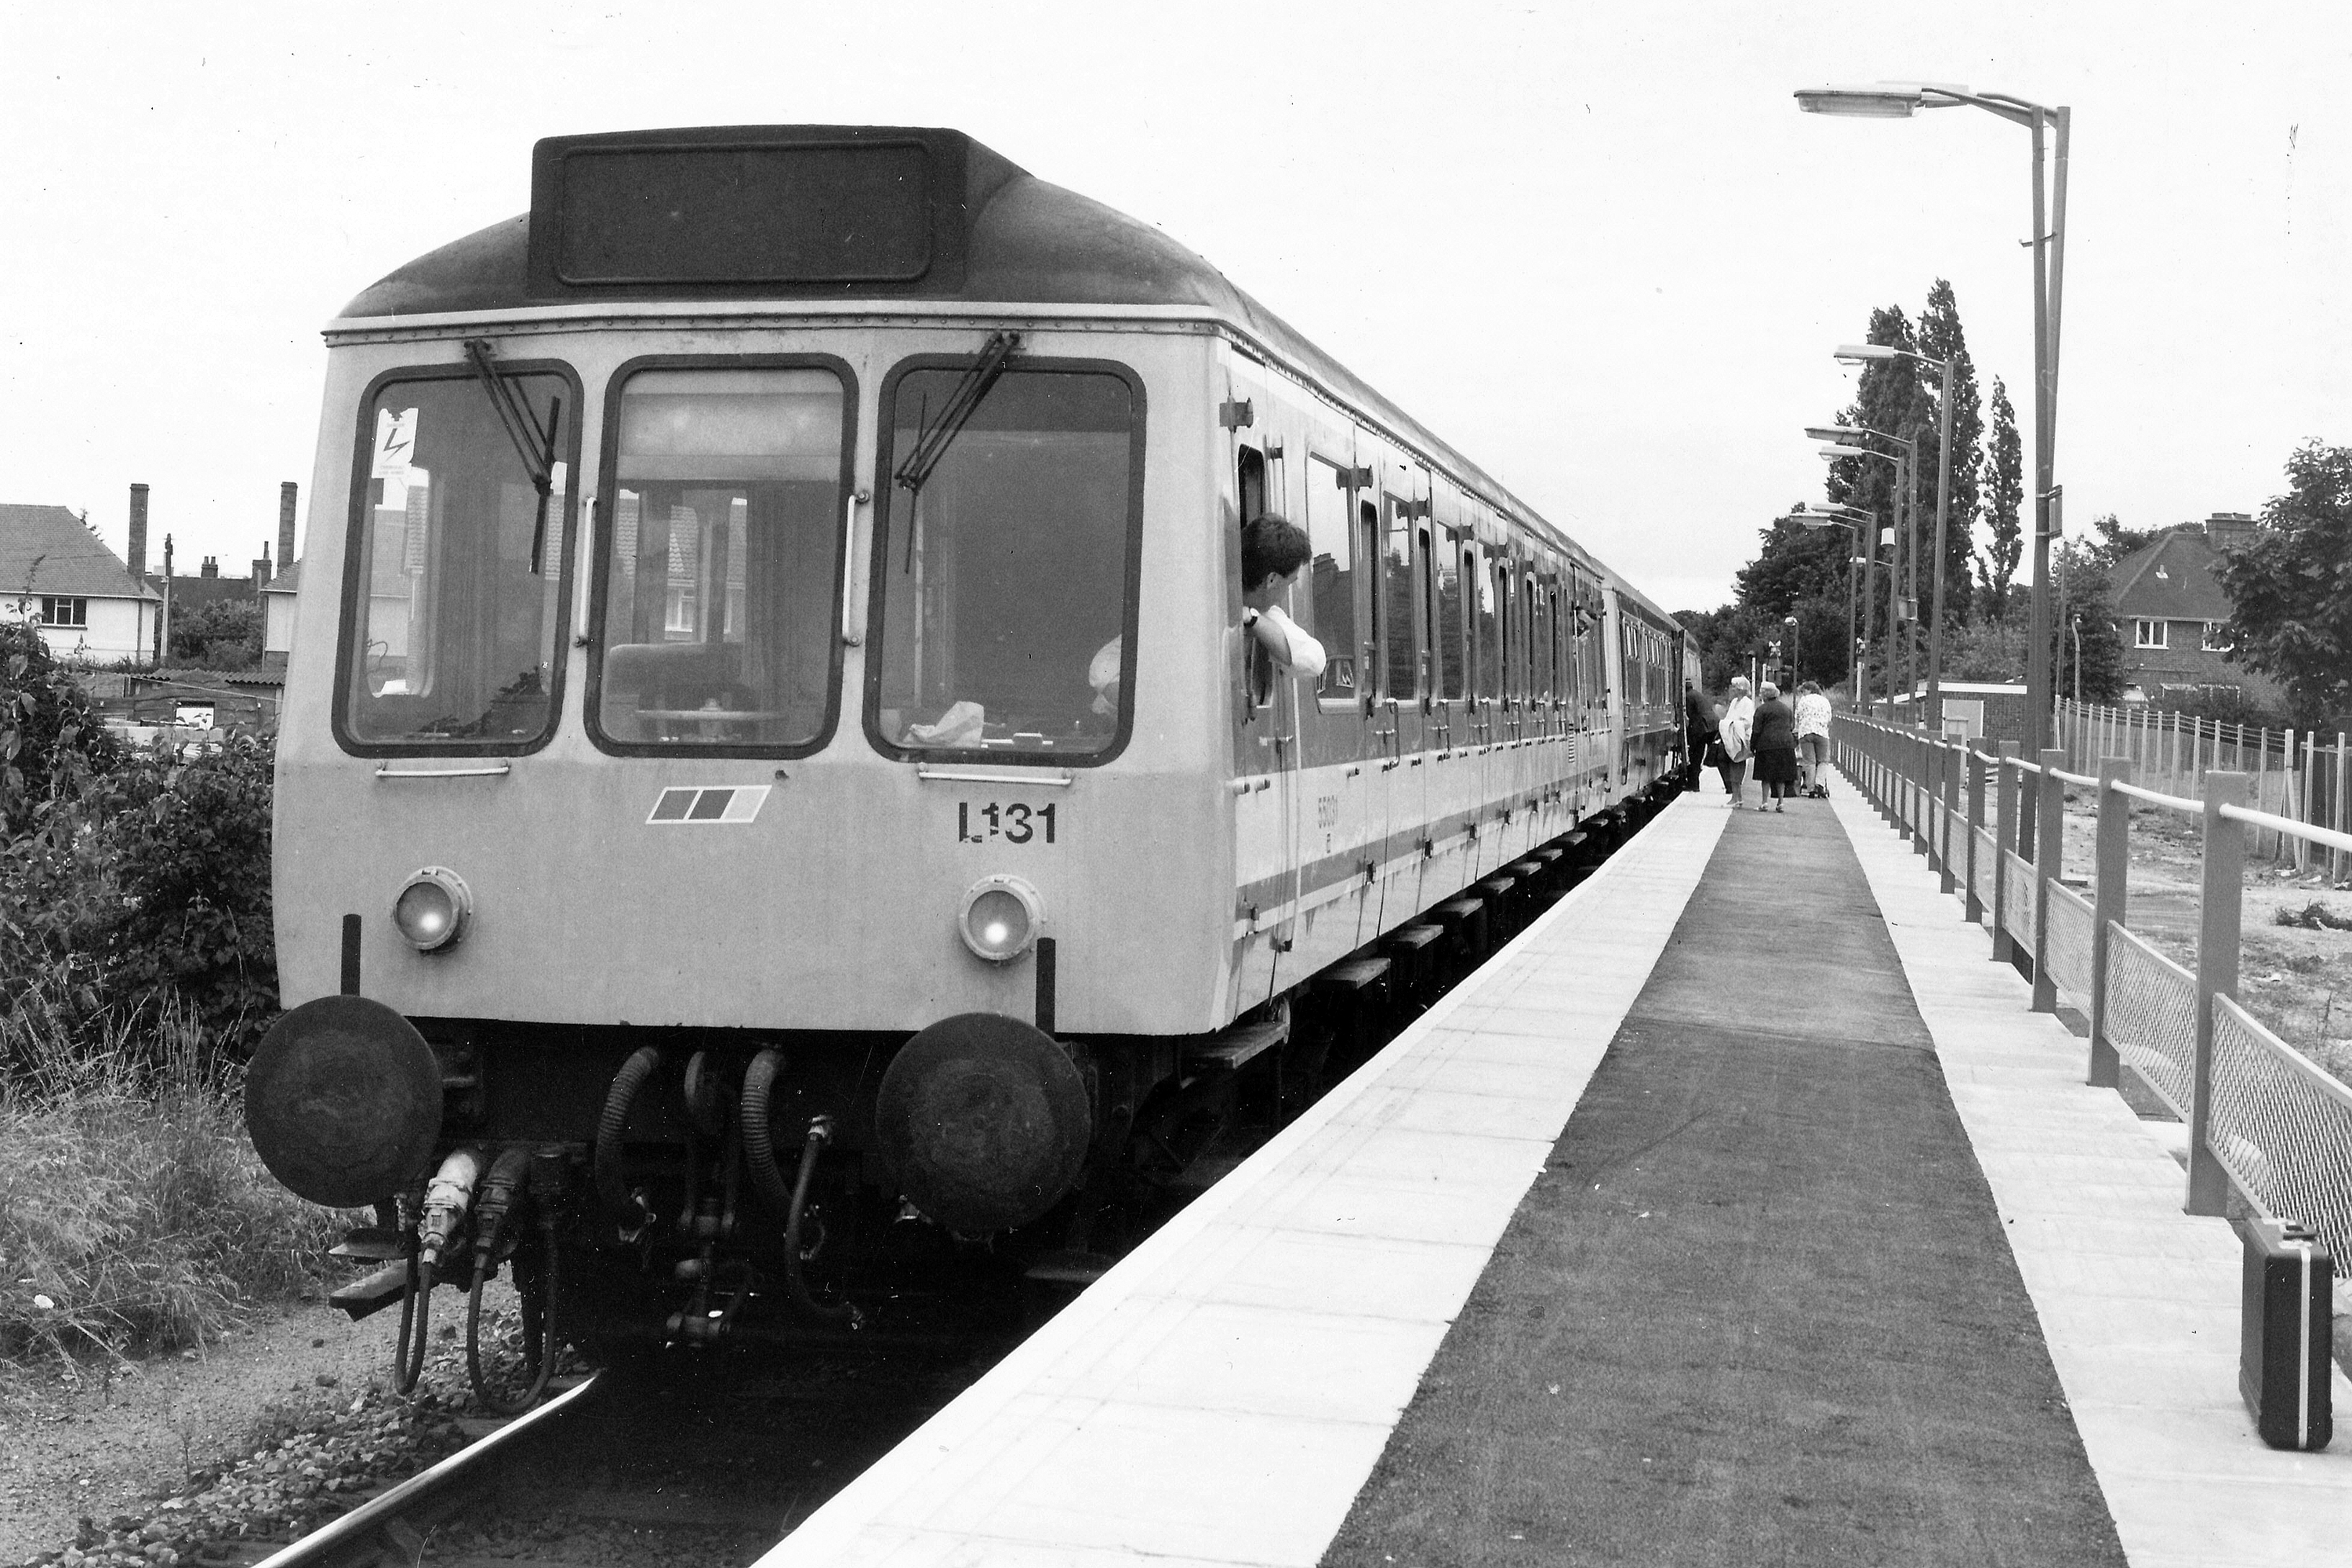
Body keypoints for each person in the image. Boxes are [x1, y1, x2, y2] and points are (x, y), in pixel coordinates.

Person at [1240, 514, 1325, 678]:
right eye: (1289, 583)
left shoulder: (1263, 613)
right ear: (1272, 580)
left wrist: (1252, 619)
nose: (1286, 593)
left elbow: (1314, 660)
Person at [1750, 681, 1799, 811]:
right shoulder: (1786, 709)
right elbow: (1790, 726)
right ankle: (1781, 803)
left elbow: (1756, 730)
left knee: (1765, 776)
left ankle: (1765, 802)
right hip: (1786, 745)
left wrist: (1752, 746)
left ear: (1765, 695)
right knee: (1781, 776)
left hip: (1766, 745)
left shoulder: (1761, 710)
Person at [1714, 676, 1754, 806]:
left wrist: (1732, 724)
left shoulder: (1747, 703)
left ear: (1741, 689)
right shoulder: (1734, 702)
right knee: (1730, 767)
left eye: (1734, 687)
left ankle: (1735, 798)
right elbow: (1729, 717)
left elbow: (1747, 722)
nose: (1732, 689)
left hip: (1740, 739)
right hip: (1730, 739)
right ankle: (1737, 797)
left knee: (1736, 767)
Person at [1793, 680, 1833, 795]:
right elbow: (1829, 718)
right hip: (1822, 733)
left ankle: (1810, 789)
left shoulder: (1804, 700)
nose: (1803, 694)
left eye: (1804, 691)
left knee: (1809, 761)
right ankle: (1819, 783)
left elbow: (1798, 716)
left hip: (1806, 733)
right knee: (1823, 761)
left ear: (1809, 690)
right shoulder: (1825, 701)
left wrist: (1797, 730)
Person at [1682, 679, 1715, 792]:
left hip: (1701, 729)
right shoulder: (1696, 694)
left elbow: (1689, 717)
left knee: (1694, 756)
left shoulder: (1687, 697)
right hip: (1709, 727)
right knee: (1698, 756)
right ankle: (1694, 783)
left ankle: (1693, 785)